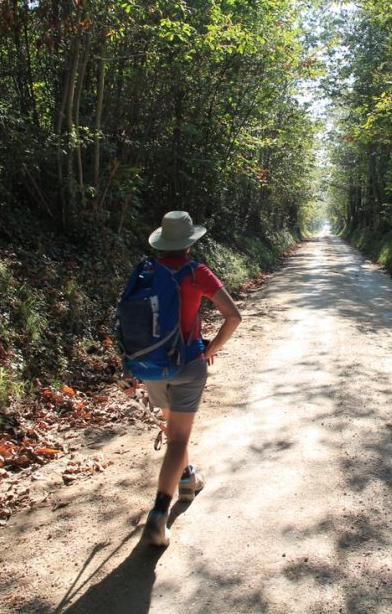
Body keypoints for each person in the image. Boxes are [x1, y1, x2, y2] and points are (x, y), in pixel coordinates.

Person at [142, 211, 241, 546]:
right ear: (189, 242)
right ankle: (158, 514)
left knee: (172, 429)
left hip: (153, 366)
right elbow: (233, 316)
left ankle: (187, 479)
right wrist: (212, 347)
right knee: (178, 440)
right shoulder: (197, 272)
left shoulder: (146, 272)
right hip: (187, 362)